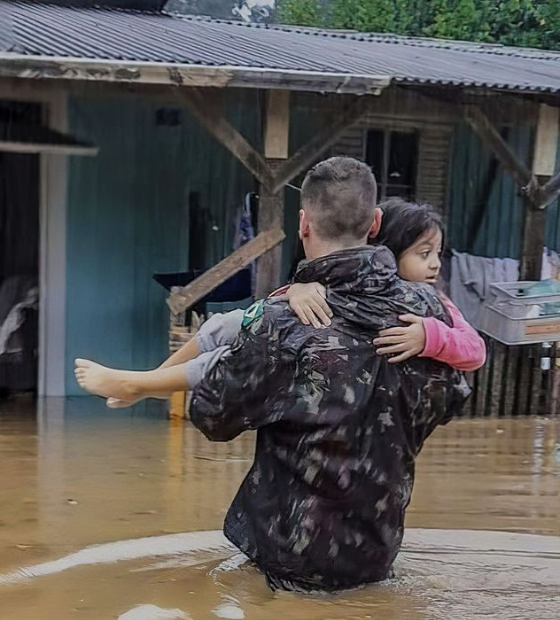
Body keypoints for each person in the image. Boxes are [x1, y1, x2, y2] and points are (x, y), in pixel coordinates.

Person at [77, 157, 470, 591]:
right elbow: (452, 397)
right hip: (379, 551)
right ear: (375, 222)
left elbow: (212, 415)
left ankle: (140, 382)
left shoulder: (284, 322)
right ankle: (139, 382)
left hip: (291, 560)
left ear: (303, 223)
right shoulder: (429, 311)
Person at [74, 199, 484, 405]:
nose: (433, 265)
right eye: (423, 253)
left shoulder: (433, 305)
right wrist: (296, 290)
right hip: (327, 366)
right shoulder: (338, 277)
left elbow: (475, 350)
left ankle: (140, 385)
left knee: (231, 359)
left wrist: (430, 337)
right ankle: (151, 382)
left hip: (345, 380)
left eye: (436, 254)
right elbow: (276, 312)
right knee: (225, 325)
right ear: (384, 245)